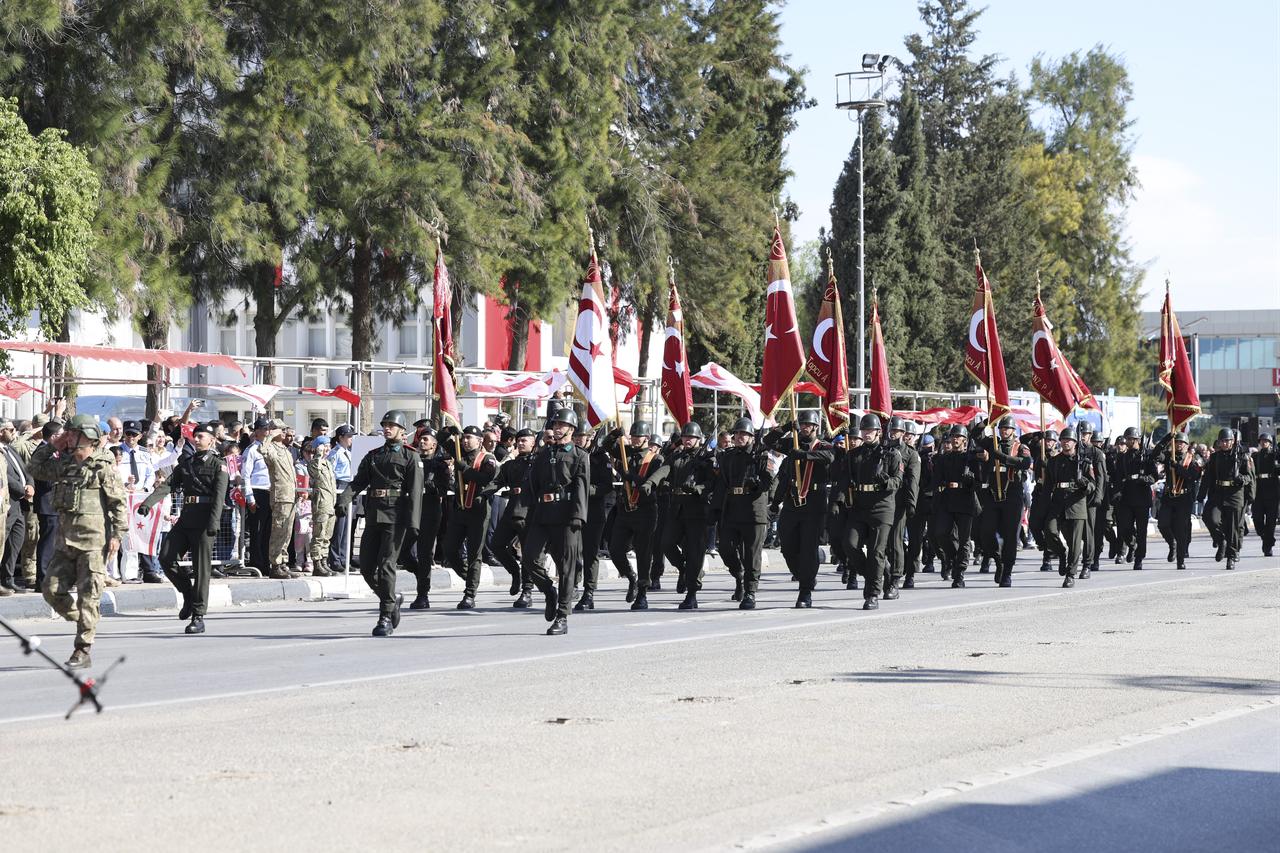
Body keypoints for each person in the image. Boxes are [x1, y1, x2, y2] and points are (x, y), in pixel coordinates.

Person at [26, 415, 127, 668]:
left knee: (89, 597)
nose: (67, 436)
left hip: (93, 542)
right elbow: (34, 468)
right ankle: (83, 619)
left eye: (71, 433)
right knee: (51, 589)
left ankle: (82, 649)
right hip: (66, 542)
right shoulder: (65, 464)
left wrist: (117, 535)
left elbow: (118, 503)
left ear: (87, 436)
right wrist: (52, 446)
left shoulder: (103, 465)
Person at [138, 423, 228, 634]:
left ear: (212, 440)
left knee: (201, 570)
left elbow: (219, 496)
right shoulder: (187, 463)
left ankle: (198, 615)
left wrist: (214, 523)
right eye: (195, 436)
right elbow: (168, 484)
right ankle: (187, 593)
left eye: (201, 436)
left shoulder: (218, 465)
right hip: (187, 517)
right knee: (166, 557)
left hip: (205, 521)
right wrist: (148, 503)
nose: (196, 439)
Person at [348, 412, 423, 636]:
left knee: (386, 566)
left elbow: (416, 492)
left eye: (392, 425)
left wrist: (413, 522)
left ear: (402, 430)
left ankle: (385, 617)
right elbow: (359, 481)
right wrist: (343, 499)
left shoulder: (411, 457)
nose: (387, 428)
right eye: (385, 425)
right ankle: (392, 598)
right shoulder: (374, 456)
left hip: (396, 516)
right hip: (374, 514)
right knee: (366, 568)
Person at [520, 408, 589, 635]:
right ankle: (549, 591)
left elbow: (581, 487)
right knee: (529, 558)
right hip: (543, 513)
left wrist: (578, 517)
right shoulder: (544, 454)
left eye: (561, 425)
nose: (557, 428)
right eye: (555, 425)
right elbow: (533, 485)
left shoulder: (580, 455)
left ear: (571, 429)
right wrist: (525, 512)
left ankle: (562, 615)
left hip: (567, 515)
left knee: (567, 567)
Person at [766, 410, 835, 608]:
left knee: (807, 548)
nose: (804, 428)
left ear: (815, 427)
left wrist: (804, 455)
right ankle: (802, 574)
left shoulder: (823, 446)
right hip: (792, 502)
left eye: (808, 425)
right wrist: (788, 427)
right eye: (802, 424)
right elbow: (768, 440)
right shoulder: (793, 442)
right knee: (787, 546)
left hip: (814, 504)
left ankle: (805, 590)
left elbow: (829, 457)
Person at [834, 414, 903, 610]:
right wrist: (837, 502)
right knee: (849, 544)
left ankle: (872, 594)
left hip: (882, 507)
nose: (866, 434)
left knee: (875, 552)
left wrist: (885, 481)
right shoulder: (853, 455)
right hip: (859, 506)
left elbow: (897, 481)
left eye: (870, 431)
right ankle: (882, 574)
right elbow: (845, 481)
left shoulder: (891, 454)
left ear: (878, 433)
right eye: (863, 430)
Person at [711, 418, 775, 608]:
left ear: (751, 437)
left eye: (744, 434)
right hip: (732, 508)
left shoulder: (762, 455)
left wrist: (757, 484)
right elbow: (722, 484)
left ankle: (750, 592)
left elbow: (769, 480)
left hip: (754, 509)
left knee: (752, 554)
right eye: (737, 434)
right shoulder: (728, 457)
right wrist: (715, 509)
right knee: (725, 548)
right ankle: (738, 575)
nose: (739, 437)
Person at [604, 421, 666, 610]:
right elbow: (607, 446)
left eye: (637, 436)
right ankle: (630, 576)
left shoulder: (656, 459)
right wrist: (615, 434)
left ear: (646, 438)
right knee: (615, 549)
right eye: (632, 435)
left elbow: (652, 483)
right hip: (625, 511)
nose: (634, 439)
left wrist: (632, 477)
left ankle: (642, 592)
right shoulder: (625, 452)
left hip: (645, 511)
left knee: (643, 553)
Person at [439, 425, 500, 610]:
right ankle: (470, 577)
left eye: (469, 438)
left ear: (479, 440)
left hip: (478, 512)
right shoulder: (458, 450)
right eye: (463, 437)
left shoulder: (487, 459)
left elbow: (485, 479)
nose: (465, 441)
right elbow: (441, 437)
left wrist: (465, 469)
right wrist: (450, 429)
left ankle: (469, 594)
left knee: (474, 554)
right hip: (460, 511)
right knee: (449, 548)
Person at [661, 422, 716, 610]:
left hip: (697, 511)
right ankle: (683, 570)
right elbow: (666, 470)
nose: (687, 439)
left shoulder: (708, 458)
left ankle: (691, 594)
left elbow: (713, 482)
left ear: (698, 439)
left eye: (691, 437)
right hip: (677, 508)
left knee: (695, 552)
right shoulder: (677, 455)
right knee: (666, 543)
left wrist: (698, 488)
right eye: (685, 436)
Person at [974, 415, 1032, 587]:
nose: (1004, 431)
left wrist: (1004, 458)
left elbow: (1026, 463)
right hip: (993, 495)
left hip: (1012, 496)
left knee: (1010, 536)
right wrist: (988, 420)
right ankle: (997, 560)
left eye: (1007, 428)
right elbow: (976, 434)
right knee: (985, 532)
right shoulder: (993, 443)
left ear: (1014, 431)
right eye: (1001, 428)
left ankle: (1007, 571)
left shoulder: (1020, 447)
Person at [574, 422, 620, 607]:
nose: (578, 439)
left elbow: (607, 485)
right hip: (573, 510)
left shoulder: (600, 458)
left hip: (593, 510)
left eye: (581, 436)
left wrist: (585, 491)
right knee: (571, 551)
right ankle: (572, 585)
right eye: (575, 435)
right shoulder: (570, 455)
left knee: (590, 552)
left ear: (590, 437)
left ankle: (589, 592)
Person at [1043, 427, 1097, 587]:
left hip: (1076, 504)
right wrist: (1044, 505)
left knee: (1074, 543)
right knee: (1049, 530)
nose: (1066, 442)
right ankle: (1061, 553)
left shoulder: (1084, 463)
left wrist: (1084, 484)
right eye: (1064, 440)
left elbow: (1093, 485)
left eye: (1069, 440)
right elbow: (1048, 486)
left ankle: (1070, 574)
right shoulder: (1054, 461)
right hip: (1058, 503)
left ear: (1075, 442)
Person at [931, 425, 980, 588]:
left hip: (965, 500)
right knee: (941, 533)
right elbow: (936, 481)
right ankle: (952, 558)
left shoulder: (971, 459)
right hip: (947, 499)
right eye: (953, 437)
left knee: (964, 539)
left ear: (965, 440)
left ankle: (959, 573)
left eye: (958, 437)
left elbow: (979, 481)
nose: (955, 439)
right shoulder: (944, 459)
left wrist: (971, 478)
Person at [405, 428, 449, 609]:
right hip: (410, 511)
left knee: (424, 554)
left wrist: (430, 484)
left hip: (429, 510)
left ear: (434, 444)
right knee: (403, 552)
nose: (422, 442)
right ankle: (421, 575)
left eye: (426, 439)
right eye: (420, 439)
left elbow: (444, 488)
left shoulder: (440, 464)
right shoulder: (411, 460)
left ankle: (423, 594)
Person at [490, 428, 535, 603]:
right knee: (496, 545)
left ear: (533, 443)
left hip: (529, 510)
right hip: (513, 509)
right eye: (519, 440)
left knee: (527, 552)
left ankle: (527, 590)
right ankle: (515, 573)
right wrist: (481, 493)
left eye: (525, 440)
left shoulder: (537, 463)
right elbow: (496, 483)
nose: (521, 443)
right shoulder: (511, 465)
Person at [1199, 428, 1252, 570]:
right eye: (1222, 441)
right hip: (1218, 492)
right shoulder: (1215, 457)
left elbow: (1249, 477)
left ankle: (1231, 556)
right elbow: (1208, 477)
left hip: (1235, 495)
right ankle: (1220, 540)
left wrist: (1241, 479)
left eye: (1227, 441)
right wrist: (1201, 495)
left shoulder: (1242, 456)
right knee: (1210, 518)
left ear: (1233, 441)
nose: (1225, 443)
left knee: (1233, 527)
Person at [1109, 427, 1158, 570]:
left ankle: (1139, 558)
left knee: (1142, 531)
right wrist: (1116, 493)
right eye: (1127, 438)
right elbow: (1118, 477)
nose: (1128, 441)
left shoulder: (1146, 456)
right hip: (1126, 498)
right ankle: (1133, 545)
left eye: (1131, 439)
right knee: (1124, 528)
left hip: (1142, 498)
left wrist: (1145, 479)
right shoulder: (1123, 457)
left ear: (1137, 440)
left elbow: (1154, 476)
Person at [259, 419, 301, 579]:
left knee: (287, 532)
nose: (284, 433)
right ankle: (275, 564)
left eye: (284, 429)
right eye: (280, 430)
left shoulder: (286, 450)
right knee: (279, 530)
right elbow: (263, 451)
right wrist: (269, 436)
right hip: (281, 495)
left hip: (291, 495)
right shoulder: (270, 447)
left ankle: (283, 562)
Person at [885, 417, 920, 594]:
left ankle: (896, 576)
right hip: (882, 501)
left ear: (903, 433)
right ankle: (884, 572)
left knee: (895, 540)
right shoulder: (883, 450)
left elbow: (913, 480)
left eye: (897, 431)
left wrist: (911, 502)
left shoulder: (911, 454)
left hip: (899, 501)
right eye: (892, 431)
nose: (893, 434)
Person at [240, 418, 272, 573]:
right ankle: (257, 562)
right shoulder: (251, 450)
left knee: (267, 531)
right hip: (257, 490)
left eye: (268, 429)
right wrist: (250, 498)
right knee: (257, 530)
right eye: (264, 429)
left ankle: (266, 562)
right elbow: (245, 475)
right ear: (257, 431)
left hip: (269, 492)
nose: (267, 432)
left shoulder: (270, 448)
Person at [305, 436, 336, 577]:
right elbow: (315, 474)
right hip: (321, 503)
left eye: (329, 446)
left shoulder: (328, 464)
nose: (328, 449)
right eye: (325, 446)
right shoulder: (314, 463)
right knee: (319, 535)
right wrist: (318, 454)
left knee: (327, 536)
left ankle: (324, 561)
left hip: (330, 503)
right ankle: (317, 563)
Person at [328, 424, 355, 573]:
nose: (351, 439)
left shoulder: (349, 453)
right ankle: (335, 559)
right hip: (339, 486)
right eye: (349, 436)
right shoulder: (335, 453)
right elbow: (331, 472)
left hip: (348, 486)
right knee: (339, 527)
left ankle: (344, 559)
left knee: (346, 528)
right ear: (341, 437)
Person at [1252, 433, 1277, 557]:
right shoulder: (1255, 456)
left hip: (1272, 491)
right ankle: (1266, 538)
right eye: (1262, 440)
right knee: (1257, 519)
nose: (1264, 442)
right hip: (1258, 491)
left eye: (1266, 441)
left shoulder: (1275, 455)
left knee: (1271, 521)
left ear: (1270, 443)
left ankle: (1268, 546)